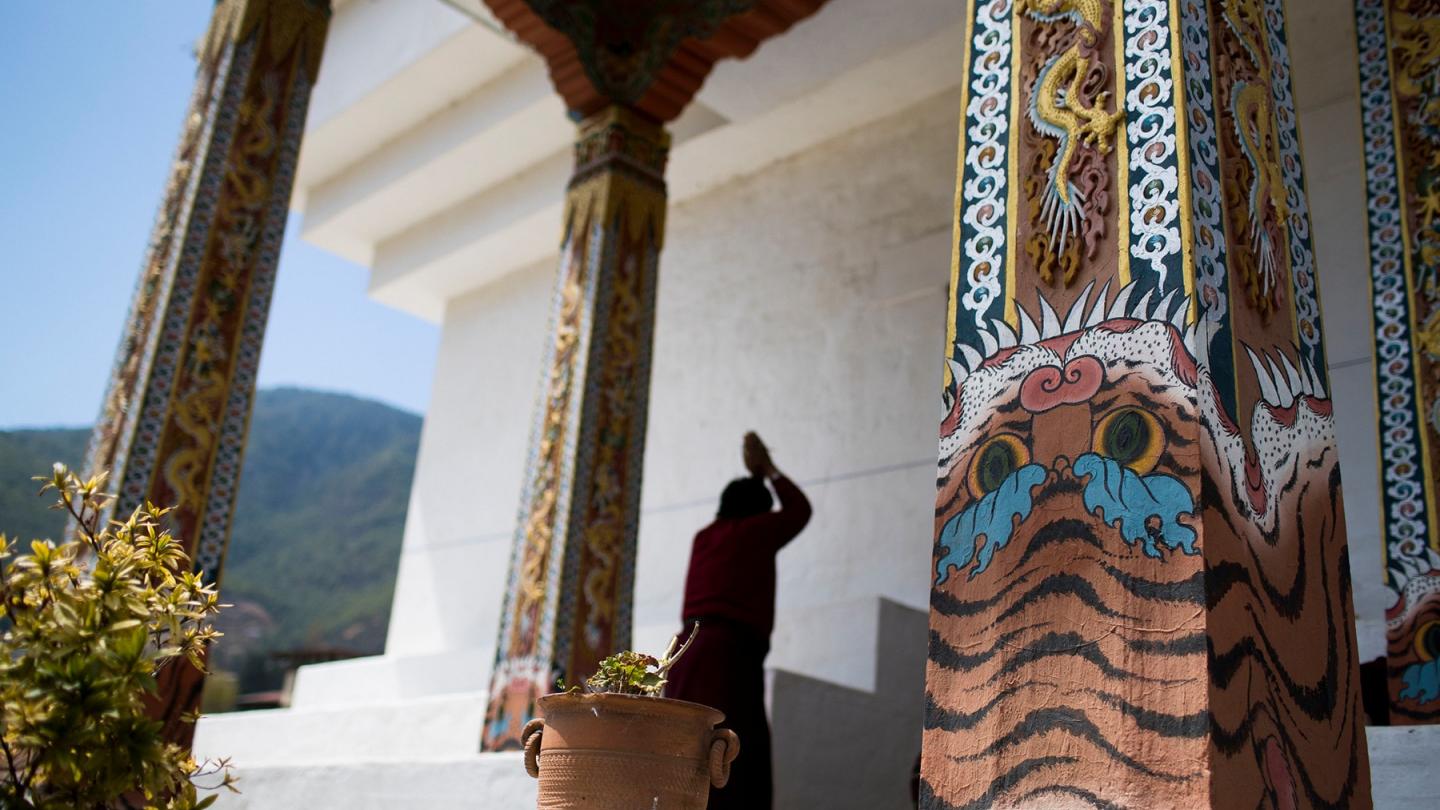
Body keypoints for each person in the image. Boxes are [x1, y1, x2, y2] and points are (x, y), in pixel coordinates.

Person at [664, 432, 811, 810]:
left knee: (681, 747)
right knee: (733, 752)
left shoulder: (704, 537)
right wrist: (768, 470)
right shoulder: (757, 532)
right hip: (729, 656)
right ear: (760, 512)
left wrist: (756, 480)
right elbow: (799, 510)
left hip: (685, 653)